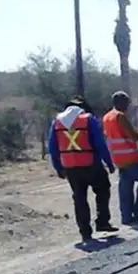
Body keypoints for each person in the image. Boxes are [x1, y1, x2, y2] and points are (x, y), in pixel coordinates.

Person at [47, 96, 119, 243]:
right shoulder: (88, 119)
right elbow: (100, 143)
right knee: (103, 189)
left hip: (70, 167)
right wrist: (109, 162)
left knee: (79, 199)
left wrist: (58, 167)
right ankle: (102, 221)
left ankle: (85, 233)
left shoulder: (57, 122)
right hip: (91, 164)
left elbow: (53, 147)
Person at [102, 91, 138, 225]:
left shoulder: (107, 117)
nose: (128, 105)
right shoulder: (120, 116)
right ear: (121, 102)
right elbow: (132, 135)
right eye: (127, 102)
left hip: (118, 158)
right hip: (130, 156)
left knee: (125, 186)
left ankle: (126, 216)